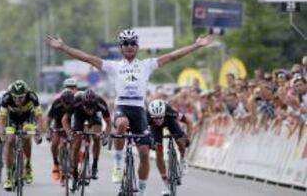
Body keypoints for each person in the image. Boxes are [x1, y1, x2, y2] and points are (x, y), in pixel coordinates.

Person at [45, 29, 214, 195]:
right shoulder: (113, 66)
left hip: (139, 110)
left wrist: (197, 45)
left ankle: (141, 190)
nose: (129, 46)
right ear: (120, 47)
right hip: (122, 107)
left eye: (133, 43)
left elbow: (172, 57)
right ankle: (118, 165)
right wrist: (63, 47)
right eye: (125, 44)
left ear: (137, 46)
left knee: (144, 153)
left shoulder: (146, 65)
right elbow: (87, 58)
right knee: (122, 124)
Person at [0, 80, 44, 191]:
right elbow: (2, 119)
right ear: (11, 95)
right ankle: (9, 176)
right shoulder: (6, 98)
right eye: (16, 97)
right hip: (12, 119)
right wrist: (2, 133)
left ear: (26, 94)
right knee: (10, 141)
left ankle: (27, 165)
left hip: (27, 118)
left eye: (21, 97)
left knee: (27, 136)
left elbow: (39, 117)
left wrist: (39, 132)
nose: (18, 100)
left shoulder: (32, 96)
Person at [61, 89, 112, 190]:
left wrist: (105, 135)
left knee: (96, 137)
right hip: (79, 117)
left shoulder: (100, 102)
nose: (89, 110)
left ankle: (95, 165)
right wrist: (70, 133)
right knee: (76, 144)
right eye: (87, 108)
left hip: (95, 117)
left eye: (91, 108)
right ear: (83, 103)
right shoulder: (76, 101)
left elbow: (109, 123)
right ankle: (74, 172)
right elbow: (65, 120)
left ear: (95, 104)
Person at [147, 99, 191, 195]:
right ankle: (165, 182)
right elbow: (140, 130)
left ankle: (183, 159)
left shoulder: (170, 112)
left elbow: (189, 121)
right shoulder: (147, 116)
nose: (158, 120)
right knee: (159, 152)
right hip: (155, 129)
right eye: (155, 118)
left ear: (164, 113)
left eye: (160, 118)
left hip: (170, 122)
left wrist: (188, 138)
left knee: (180, 141)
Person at [45, 88, 75, 183]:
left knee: (75, 144)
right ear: (61, 100)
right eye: (65, 102)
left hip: (71, 124)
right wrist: (48, 131)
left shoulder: (75, 103)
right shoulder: (56, 103)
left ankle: (73, 165)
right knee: (55, 144)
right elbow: (49, 119)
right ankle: (56, 163)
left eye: (69, 102)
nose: (67, 105)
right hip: (58, 124)